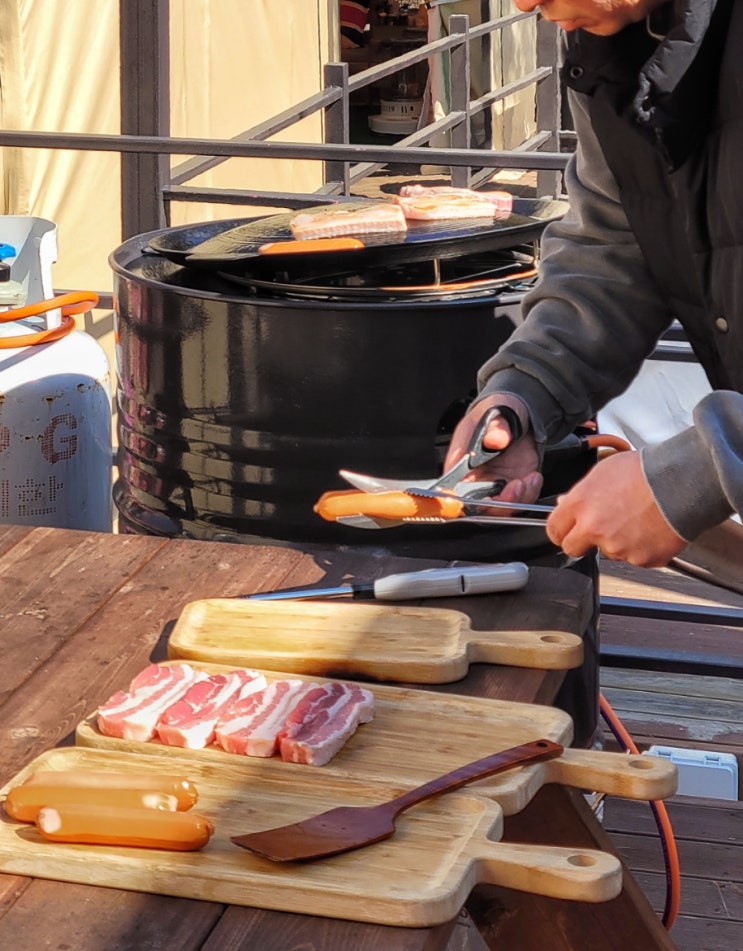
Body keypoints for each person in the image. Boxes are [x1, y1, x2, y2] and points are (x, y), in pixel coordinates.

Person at [444, 0, 742, 568]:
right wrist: (530, 392)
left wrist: (699, 475)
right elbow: (615, 237)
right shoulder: (608, 44)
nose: (526, 4)